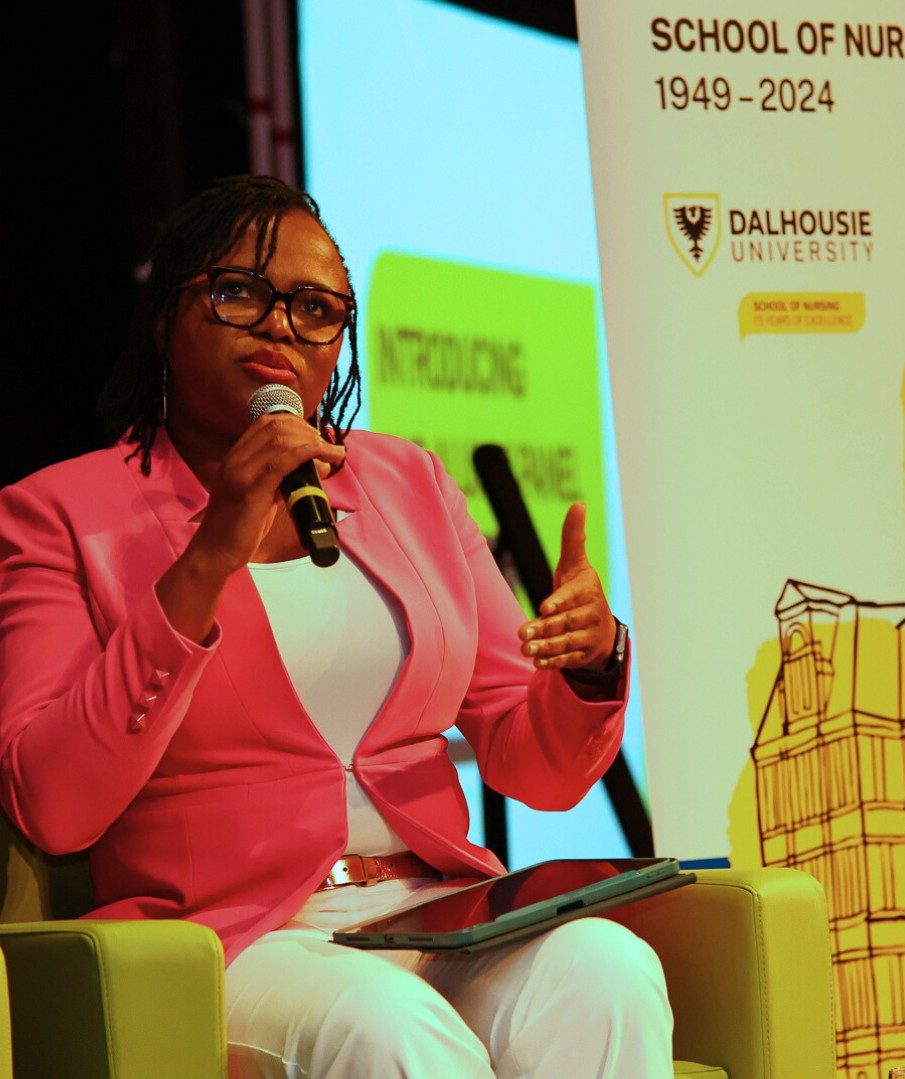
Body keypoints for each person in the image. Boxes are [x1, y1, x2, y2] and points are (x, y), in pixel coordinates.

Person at [0, 175, 672, 1077]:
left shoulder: (408, 485)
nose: (281, 325)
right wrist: (209, 552)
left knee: (607, 969)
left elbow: (531, 763)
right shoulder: (59, 513)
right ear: (167, 316)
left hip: (435, 909)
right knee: (385, 1023)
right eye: (241, 292)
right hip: (234, 936)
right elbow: (54, 802)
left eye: (316, 308)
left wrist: (589, 664)